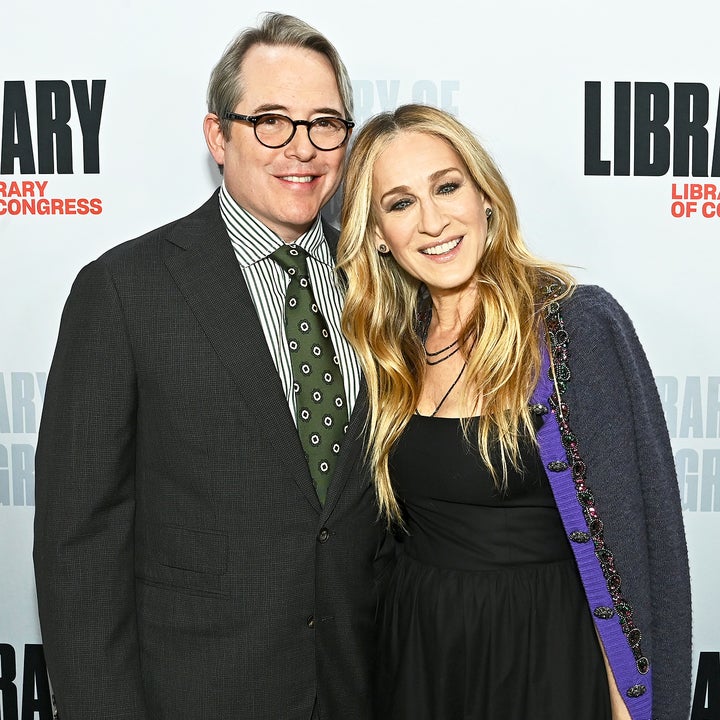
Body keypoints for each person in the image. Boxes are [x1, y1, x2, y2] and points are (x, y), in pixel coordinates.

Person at [33, 13, 390, 720]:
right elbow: (79, 545)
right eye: (271, 122)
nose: (302, 147)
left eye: (325, 124)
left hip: (363, 691)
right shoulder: (125, 291)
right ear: (218, 137)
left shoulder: (383, 283)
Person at [337, 104, 691, 720]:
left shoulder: (575, 326)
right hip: (418, 657)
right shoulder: (386, 348)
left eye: (447, 187)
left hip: (545, 656)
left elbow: (638, 543)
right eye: (400, 203)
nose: (433, 221)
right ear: (377, 236)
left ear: (485, 197)